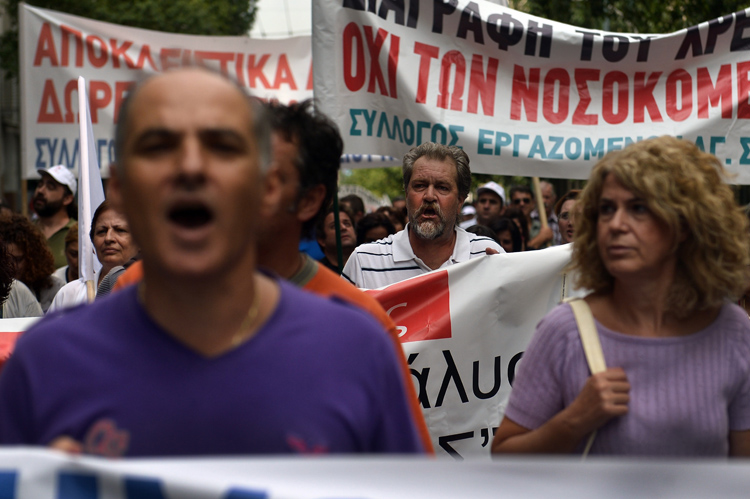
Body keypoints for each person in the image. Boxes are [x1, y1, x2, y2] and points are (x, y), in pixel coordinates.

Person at [0, 67, 425, 457]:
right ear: (123, 188)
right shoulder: (45, 363)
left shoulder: (356, 349)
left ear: (267, 187)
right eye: (158, 146)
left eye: (222, 147)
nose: (190, 167)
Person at [492, 136, 750, 457]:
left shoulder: (733, 331)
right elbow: (505, 455)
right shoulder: (564, 331)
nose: (616, 224)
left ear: (685, 224)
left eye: (638, 208)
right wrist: (573, 421)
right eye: (606, 209)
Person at [343, 142, 502, 289]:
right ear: (406, 195)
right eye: (420, 186)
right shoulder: (365, 262)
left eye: (442, 187)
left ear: (460, 201)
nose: (429, 196)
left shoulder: (489, 255)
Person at [48, 200, 139, 311]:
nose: (108, 238)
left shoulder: (154, 294)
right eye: (101, 231)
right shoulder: (69, 294)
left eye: (120, 230)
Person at [0, 215, 65, 313]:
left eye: (18, 259)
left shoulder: (55, 288)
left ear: (32, 258)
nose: (11, 266)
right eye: (6, 260)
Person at [33, 165, 77, 268]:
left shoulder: (77, 233)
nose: (40, 191)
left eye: (50, 187)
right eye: (40, 185)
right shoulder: (27, 231)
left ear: (67, 199)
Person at [316, 207, 357, 273]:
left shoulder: (367, 265)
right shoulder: (317, 273)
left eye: (347, 224)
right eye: (334, 226)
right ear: (322, 240)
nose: (343, 228)